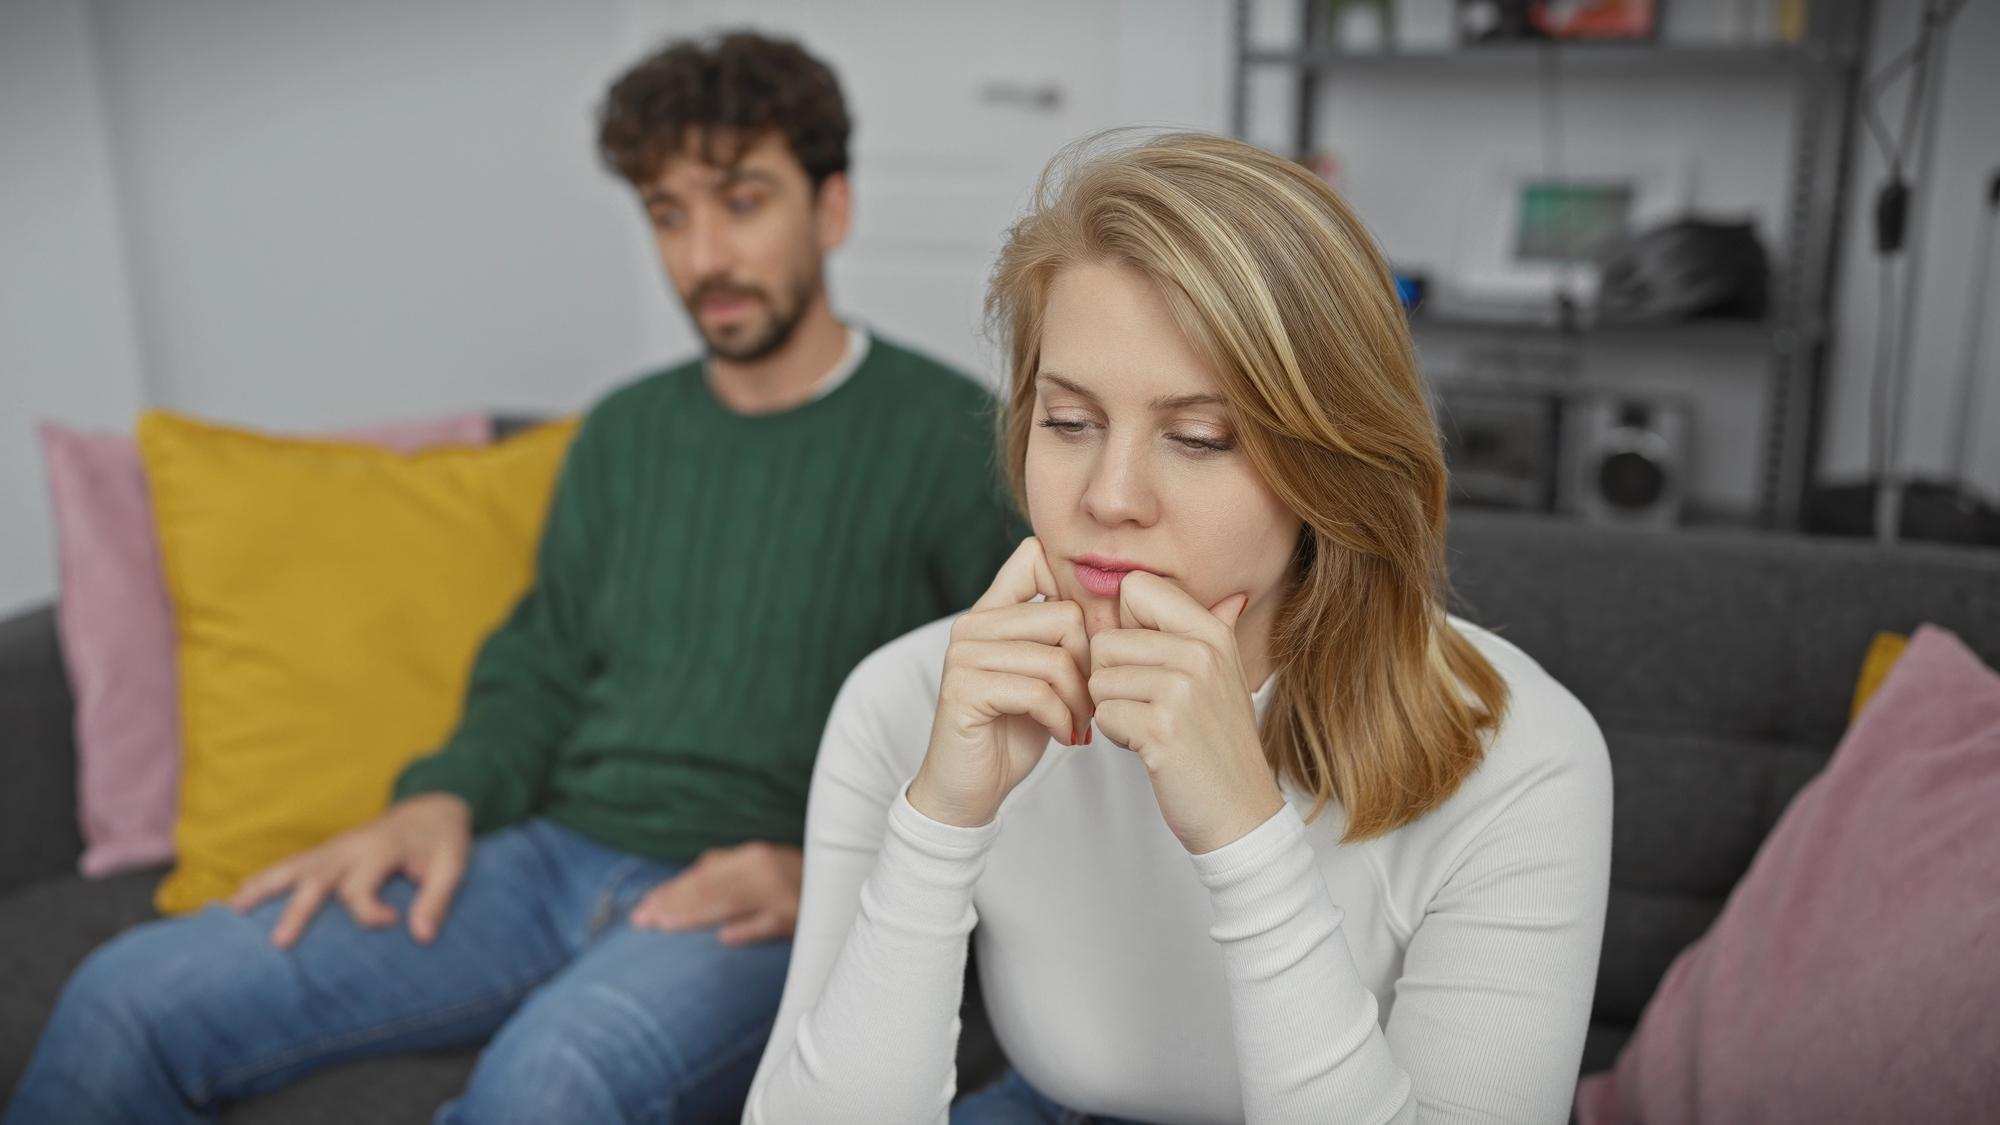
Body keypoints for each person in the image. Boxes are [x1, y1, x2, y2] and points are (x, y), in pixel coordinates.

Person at [5, 33, 1020, 1125]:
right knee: (124, 996)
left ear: (829, 210)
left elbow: (1020, 741)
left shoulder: (953, 441)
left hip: (762, 897)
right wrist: (438, 800)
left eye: (741, 201)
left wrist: (840, 878)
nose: (703, 255)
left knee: (547, 1088)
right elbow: (538, 660)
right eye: (668, 214)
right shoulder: (625, 434)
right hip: (543, 856)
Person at [743, 132, 1613, 1125]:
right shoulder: (906, 698)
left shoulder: (1524, 758)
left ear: (1330, 468)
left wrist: (1246, 836)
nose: (1107, 497)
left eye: (1199, 439)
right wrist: (939, 821)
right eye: (1068, 423)